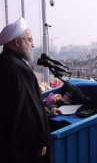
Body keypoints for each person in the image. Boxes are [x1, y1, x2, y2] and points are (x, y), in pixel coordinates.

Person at [0, 18, 61, 163]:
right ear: (17, 42)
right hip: (22, 151)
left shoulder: (5, 62)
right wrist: (38, 142)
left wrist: (48, 113)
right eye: (29, 40)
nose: (33, 44)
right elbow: (26, 110)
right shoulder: (17, 68)